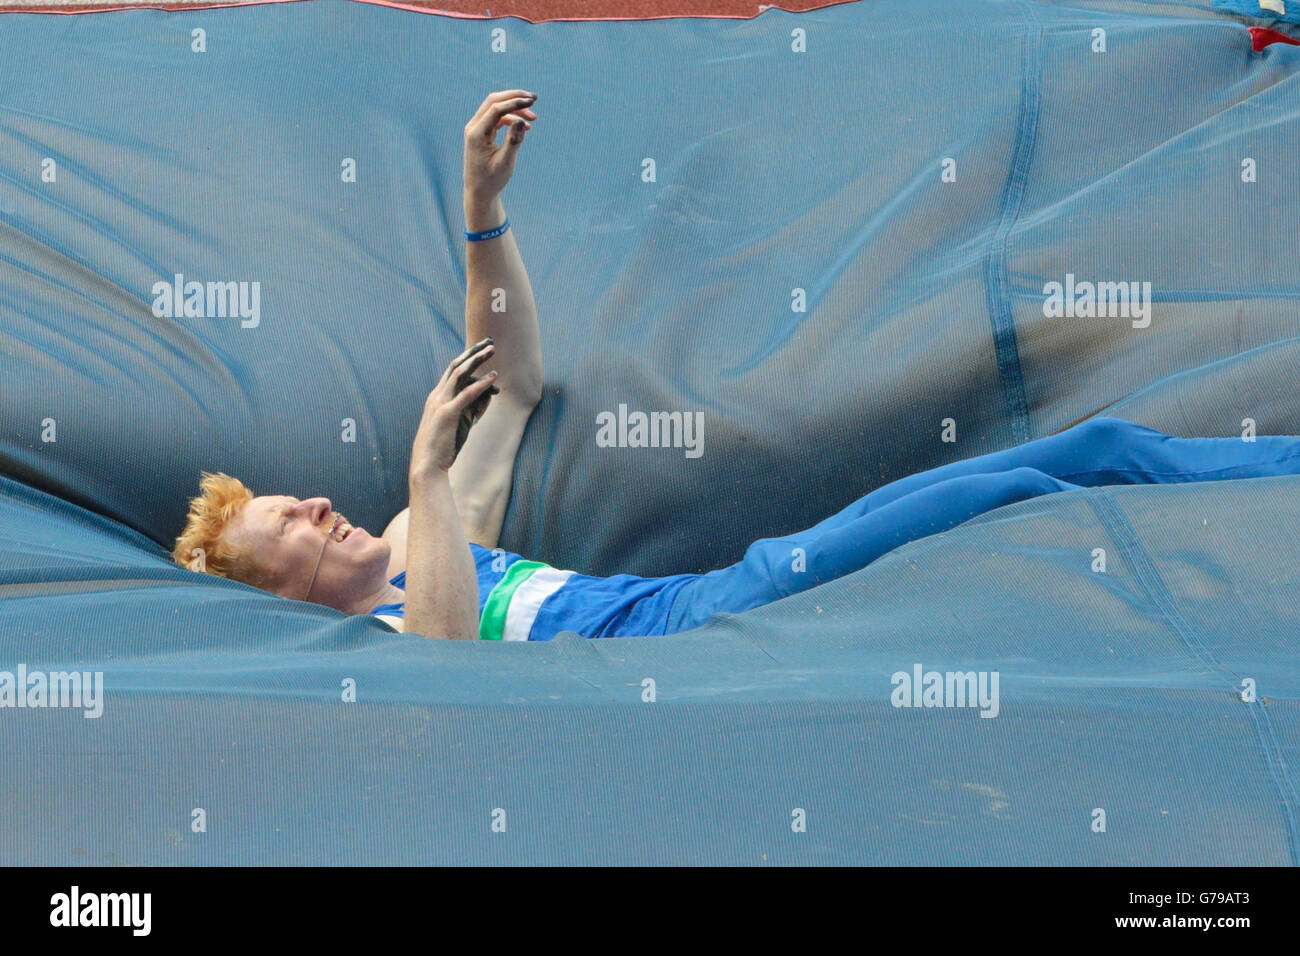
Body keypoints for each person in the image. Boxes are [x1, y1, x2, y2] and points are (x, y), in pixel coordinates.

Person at [171, 90, 1300, 641]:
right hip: (711, 634)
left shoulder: (423, 538)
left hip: (730, 589)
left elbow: (511, 381)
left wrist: (479, 211)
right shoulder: (374, 641)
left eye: (304, 501)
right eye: (296, 524)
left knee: (1082, 452)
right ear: (278, 591)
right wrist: (424, 471)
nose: (320, 503)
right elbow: (452, 671)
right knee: (1031, 489)